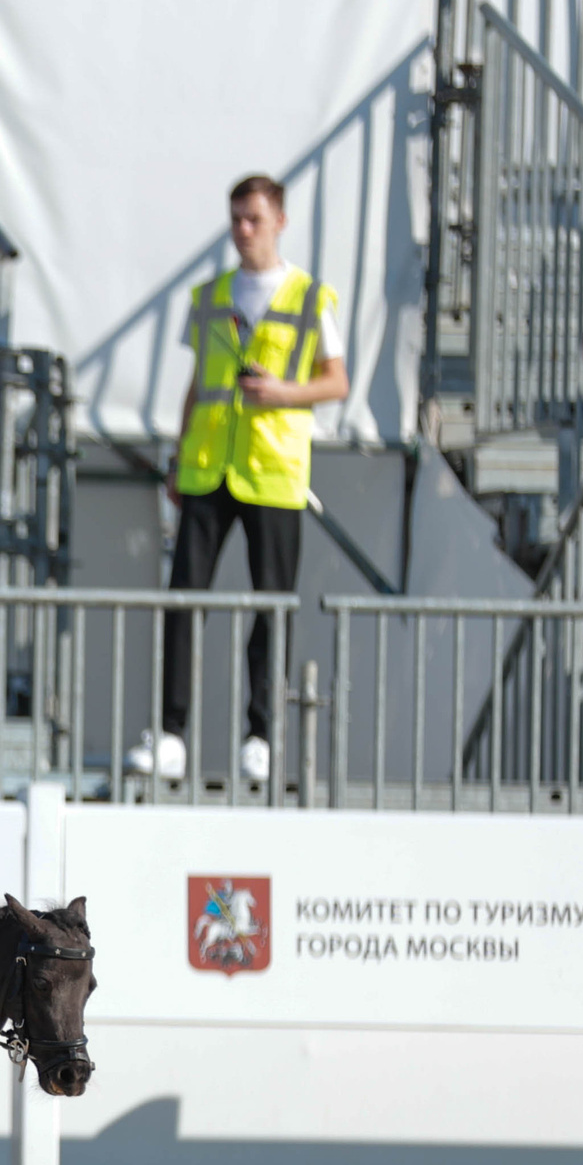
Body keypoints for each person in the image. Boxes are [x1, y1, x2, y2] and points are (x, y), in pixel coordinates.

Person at [131, 172, 347, 786]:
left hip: (274, 471)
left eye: (253, 218)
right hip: (208, 467)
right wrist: (179, 457)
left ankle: (261, 736)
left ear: (280, 220)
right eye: (235, 219)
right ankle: (171, 733)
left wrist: (283, 392)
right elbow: (198, 383)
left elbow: (336, 381)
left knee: (270, 605)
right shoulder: (210, 296)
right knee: (184, 599)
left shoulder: (310, 297)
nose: (243, 230)